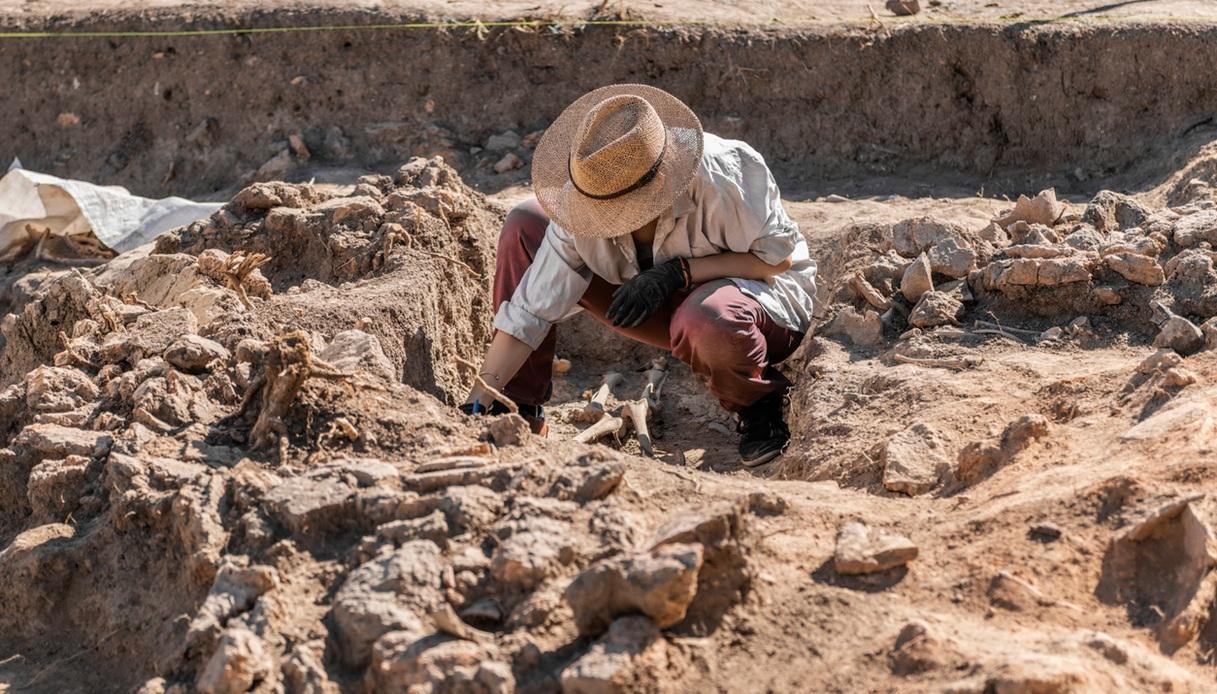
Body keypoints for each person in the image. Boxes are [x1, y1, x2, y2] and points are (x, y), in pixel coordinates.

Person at [460, 83, 816, 467]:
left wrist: (679, 274)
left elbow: (776, 261)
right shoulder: (588, 192)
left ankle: (758, 403)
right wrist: (482, 396)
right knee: (527, 223)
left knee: (707, 317)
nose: (603, 221)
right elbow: (531, 307)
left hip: (757, 304)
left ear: (659, 184)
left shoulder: (726, 175)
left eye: (619, 210)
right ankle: (517, 409)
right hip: (656, 305)